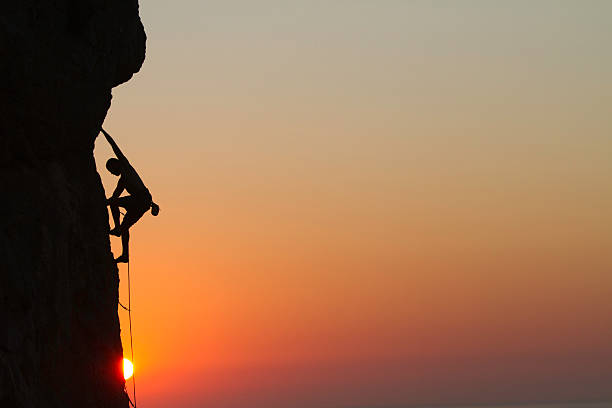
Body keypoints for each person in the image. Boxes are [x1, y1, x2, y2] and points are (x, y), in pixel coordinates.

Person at [101, 128, 159, 263]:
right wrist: (105, 202)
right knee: (125, 227)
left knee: (116, 208)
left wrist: (103, 132)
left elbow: (114, 146)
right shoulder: (122, 182)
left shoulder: (126, 166)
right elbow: (114, 197)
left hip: (141, 199)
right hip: (142, 203)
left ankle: (116, 228)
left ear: (116, 164)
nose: (111, 173)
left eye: (111, 170)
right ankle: (125, 255)